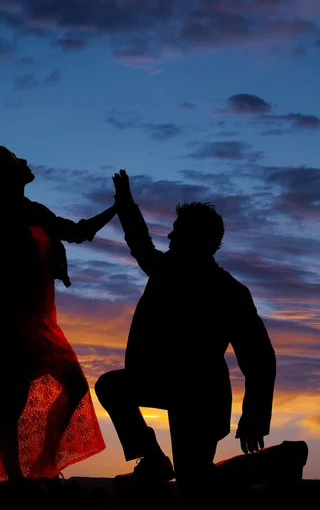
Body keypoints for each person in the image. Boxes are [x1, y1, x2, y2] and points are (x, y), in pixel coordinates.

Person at [0, 146, 117, 482]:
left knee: (74, 387)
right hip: (14, 322)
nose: (26, 165)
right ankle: (18, 481)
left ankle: (41, 466)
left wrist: (117, 207)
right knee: (12, 406)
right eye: (15, 164)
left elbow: (78, 232)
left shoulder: (34, 211)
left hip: (44, 323)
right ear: (5, 177)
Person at [95, 169, 277, 499]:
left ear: (197, 239)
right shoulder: (167, 269)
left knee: (195, 485)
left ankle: (277, 462)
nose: (169, 237)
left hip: (203, 399)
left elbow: (258, 358)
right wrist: (125, 200)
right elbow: (139, 240)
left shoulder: (228, 291)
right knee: (112, 386)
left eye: (177, 232)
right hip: (169, 384)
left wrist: (254, 417)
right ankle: (152, 459)